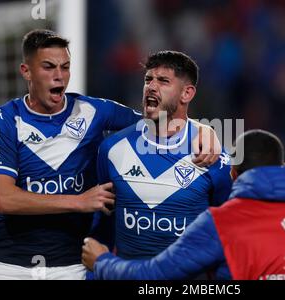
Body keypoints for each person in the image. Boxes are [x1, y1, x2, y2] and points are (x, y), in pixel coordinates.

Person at [0, 29, 221, 280]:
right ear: (26, 71)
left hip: (71, 264)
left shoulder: (93, 110)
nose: (59, 76)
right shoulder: (3, 120)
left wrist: (205, 129)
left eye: (65, 67)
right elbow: (4, 198)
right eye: (49, 67)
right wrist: (78, 201)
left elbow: (161, 119)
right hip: (11, 263)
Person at [82, 129, 285, 280]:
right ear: (283, 167)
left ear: (233, 174)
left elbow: (155, 276)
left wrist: (103, 262)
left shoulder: (224, 221)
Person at [88, 51, 233, 269]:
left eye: (163, 81)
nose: (151, 87)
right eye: (148, 80)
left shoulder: (211, 155)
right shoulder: (112, 149)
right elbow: (103, 225)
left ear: (187, 93)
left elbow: (227, 229)